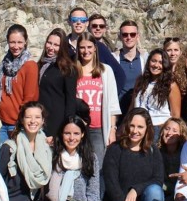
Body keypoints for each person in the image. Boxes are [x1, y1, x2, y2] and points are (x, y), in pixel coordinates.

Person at [102, 109, 165, 201]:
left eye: (140, 127)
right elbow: (112, 187)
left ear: (147, 128)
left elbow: (158, 180)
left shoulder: (153, 150)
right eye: (132, 125)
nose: (135, 131)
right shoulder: (114, 150)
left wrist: (136, 189)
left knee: (156, 191)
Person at [0, 102, 55, 201]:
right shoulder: (10, 147)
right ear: (22, 120)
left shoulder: (47, 148)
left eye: (37, 117)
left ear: (43, 121)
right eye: (28, 117)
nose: (33, 121)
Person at [47, 116, 102, 201]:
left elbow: (93, 192)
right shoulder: (52, 155)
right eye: (67, 133)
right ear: (61, 134)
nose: (72, 138)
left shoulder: (90, 158)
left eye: (76, 133)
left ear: (82, 134)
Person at [75, 34, 121, 165]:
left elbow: (112, 103)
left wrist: (112, 129)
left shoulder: (106, 71)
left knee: (98, 166)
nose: (86, 51)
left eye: (89, 47)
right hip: (79, 127)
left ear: (95, 48)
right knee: (77, 165)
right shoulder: (73, 70)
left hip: (99, 128)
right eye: (82, 47)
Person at [0, 24, 39, 143]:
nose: (16, 46)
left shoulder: (30, 66)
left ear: (25, 42)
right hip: (1, 123)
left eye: (19, 42)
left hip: (17, 124)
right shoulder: (4, 63)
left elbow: (29, 98)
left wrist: (20, 123)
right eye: (12, 42)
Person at [39, 28, 79, 142]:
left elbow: (71, 100)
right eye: (49, 43)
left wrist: (65, 128)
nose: (51, 47)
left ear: (62, 47)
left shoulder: (67, 69)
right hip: (39, 119)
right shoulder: (41, 64)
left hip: (56, 123)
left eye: (56, 45)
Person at [130, 49, 181, 137]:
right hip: (137, 127)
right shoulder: (140, 81)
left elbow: (175, 115)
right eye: (153, 61)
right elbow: (132, 106)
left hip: (158, 129)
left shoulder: (171, 85)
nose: (156, 65)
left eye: (160, 62)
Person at [72, 10, 125, 89]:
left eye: (101, 26)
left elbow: (120, 74)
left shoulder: (106, 47)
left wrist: (110, 96)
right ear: (88, 27)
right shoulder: (69, 45)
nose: (98, 28)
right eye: (94, 26)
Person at [158, 118, 187, 201]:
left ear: (181, 135)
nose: (169, 133)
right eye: (167, 129)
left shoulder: (185, 153)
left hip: (180, 192)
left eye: (174, 131)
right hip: (161, 191)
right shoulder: (156, 151)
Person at [116, 20, 147, 99]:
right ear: (120, 37)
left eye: (132, 34)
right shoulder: (113, 59)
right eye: (125, 34)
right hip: (119, 109)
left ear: (138, 36)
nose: (129, 37)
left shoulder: (145, 59)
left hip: (139, 108)